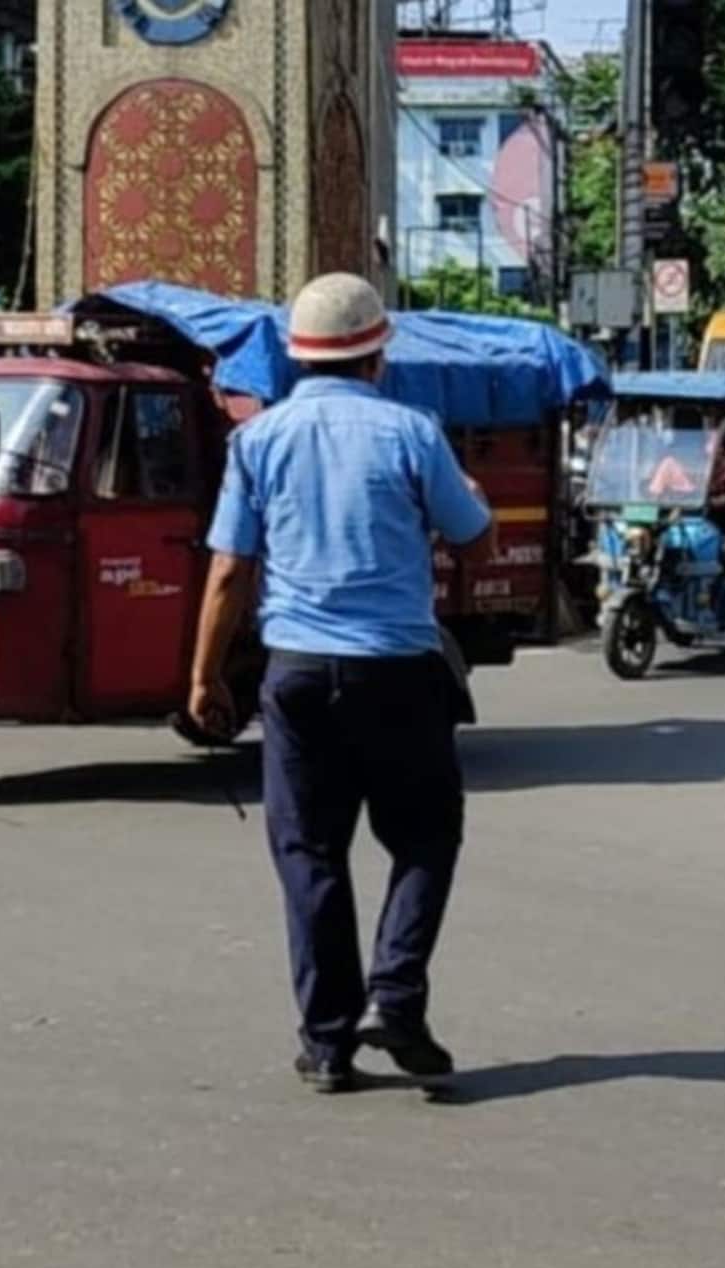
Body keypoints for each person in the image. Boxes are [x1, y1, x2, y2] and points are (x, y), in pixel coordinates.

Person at [189, 273, 496, 1096]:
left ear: (299, 357)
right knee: (428, 836)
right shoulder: (413, 433)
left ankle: (326, 1043)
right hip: (399, 671)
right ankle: (394, 995)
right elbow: (475, 543)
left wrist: (204, 676)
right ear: (377, 353)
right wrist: (471, 502)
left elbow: (228, 570)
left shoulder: (257, 442)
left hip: (293, 674)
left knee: (310, 852)